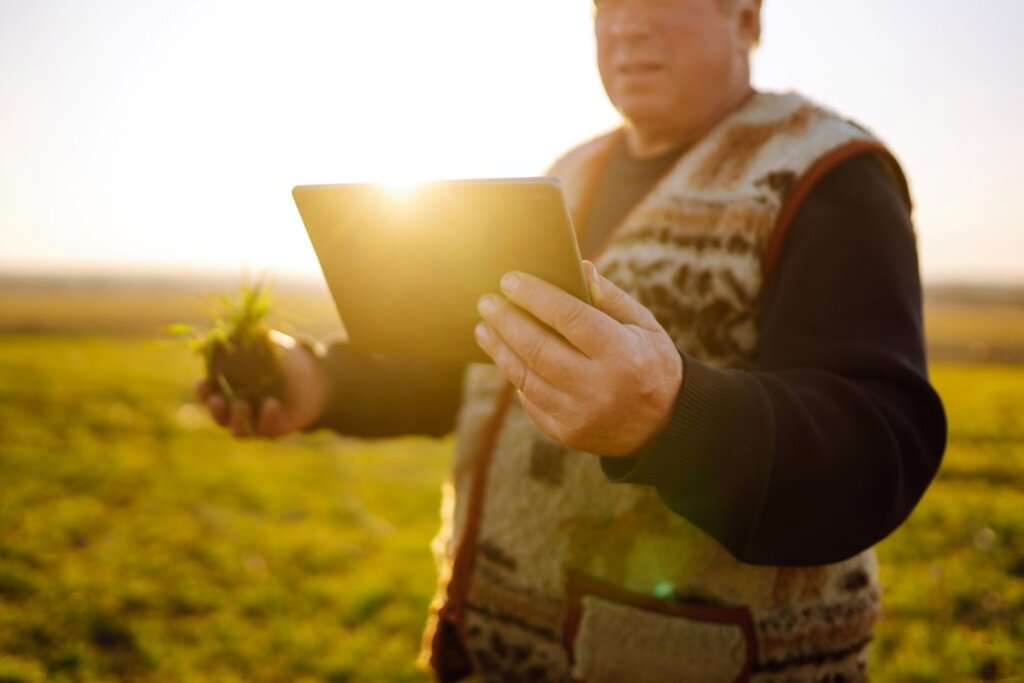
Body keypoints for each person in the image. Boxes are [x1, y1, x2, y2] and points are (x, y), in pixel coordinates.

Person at [197, 0, 947, 680]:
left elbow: (879, 439)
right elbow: (483, 357)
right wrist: (324, 381)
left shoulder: (827, 174)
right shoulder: (567, 173)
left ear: (746, 17)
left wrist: (670, 418)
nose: (628, 25)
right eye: (606, 4)